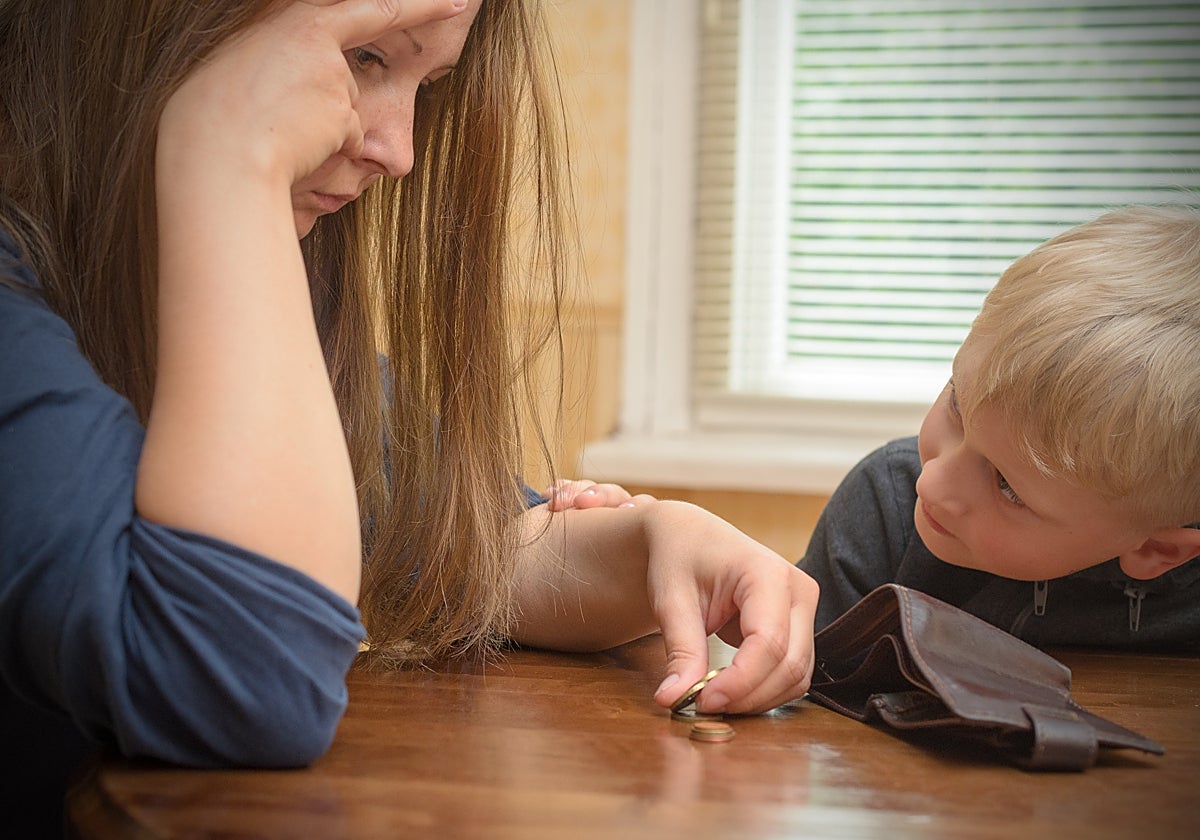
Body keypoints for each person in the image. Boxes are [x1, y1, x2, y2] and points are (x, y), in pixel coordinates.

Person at [0, 0, 818, 831]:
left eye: (428, 82)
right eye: (365, 60)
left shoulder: (288, 318)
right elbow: (250, 685)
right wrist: (226, 147)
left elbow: (470, 548)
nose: (399, 149)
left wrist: (657, 541)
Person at [799, 204, 1200, 650]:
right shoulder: (883, 509)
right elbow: (804, 684)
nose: (932, 484)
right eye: (956, 404)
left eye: (1007, 485)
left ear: (1156, 551)